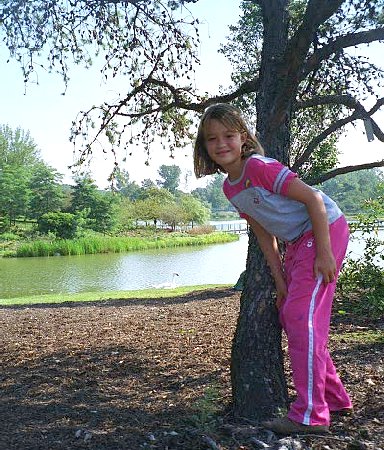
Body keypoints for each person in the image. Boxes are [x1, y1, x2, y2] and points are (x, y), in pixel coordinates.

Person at [193, 103, 353, 435]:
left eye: (228, 136)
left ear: (243, 138)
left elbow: (314, 200)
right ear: (204, 146)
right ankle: (334, 398)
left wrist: (325, 252)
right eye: (212, 139)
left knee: (300, 317)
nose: (221, 144)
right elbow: (264, 234)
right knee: (294, 315)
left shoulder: (259, 168)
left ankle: (310, 415)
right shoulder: (230, 188)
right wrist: (279, 281)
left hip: (323, 229)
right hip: (297, 242)